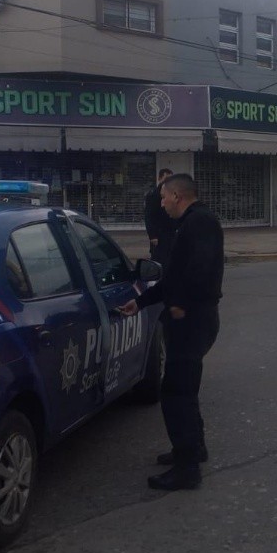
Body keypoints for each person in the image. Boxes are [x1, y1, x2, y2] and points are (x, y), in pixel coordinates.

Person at [119, 174, 223, 491]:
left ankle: (187, 468)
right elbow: (176, 275)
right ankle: (192, 448)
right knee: (185, 391)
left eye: (164, 197)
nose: (161, 204)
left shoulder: (199, 223)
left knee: (176, 394)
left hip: (192, 320)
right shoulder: (191, 223)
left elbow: (199, 272)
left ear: (177, 195)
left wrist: (178, 305)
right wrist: (141, 302)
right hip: (191, 317)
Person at [144, 168, 176, 265]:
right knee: (159, 262)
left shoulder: (172, 194)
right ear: (159, 178)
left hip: (171, 233)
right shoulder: (153, 195)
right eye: (166, 179)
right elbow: (149, 216)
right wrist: (152, 236)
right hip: (158, 235)